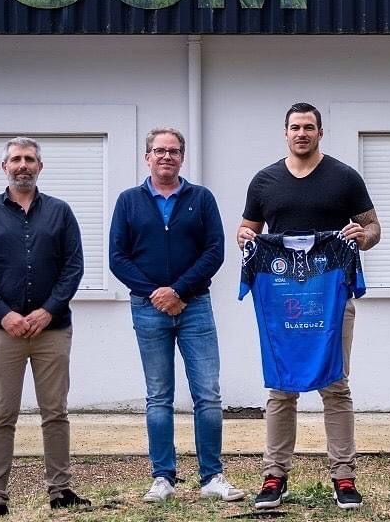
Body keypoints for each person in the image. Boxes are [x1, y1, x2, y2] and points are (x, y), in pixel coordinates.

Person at [237, 103, 381, 510]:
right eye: (295, 127)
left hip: (332, 298)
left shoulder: (344, 177)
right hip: (282, 300)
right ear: (285, 132)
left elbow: (373, 227)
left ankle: (344, 477)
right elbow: (248, 229)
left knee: (335, 384)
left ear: (320, 132)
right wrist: (244, 237)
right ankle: (274, 476)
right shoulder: (264, 181)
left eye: (309, 127)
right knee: (281, 387)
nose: (302, 133)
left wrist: (363, 236)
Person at [109, 127, 245, 504]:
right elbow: (118, 257)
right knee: (158, 396)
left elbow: (214, 251)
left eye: (173, 151)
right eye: (159, 151)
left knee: (208, 394)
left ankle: (212, 476)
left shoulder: (201, 198)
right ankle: (163, 478)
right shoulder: (128, 201)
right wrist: (157, 294)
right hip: (148, 309)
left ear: (182, 157)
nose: (166, 156)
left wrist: (179, 291)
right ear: (147, 157)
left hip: (194, 307)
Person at [0, 137, 88, 521]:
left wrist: (48, 311)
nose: (23, 165)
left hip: (52, 330)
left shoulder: (60, 212)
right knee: (2, 415)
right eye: (16, 159)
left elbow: (73, 267)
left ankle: (60, 491)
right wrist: (4, 315)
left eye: (30, 159)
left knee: (56, 413)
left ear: (40, 166)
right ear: (4, 167)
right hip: (3, 332)